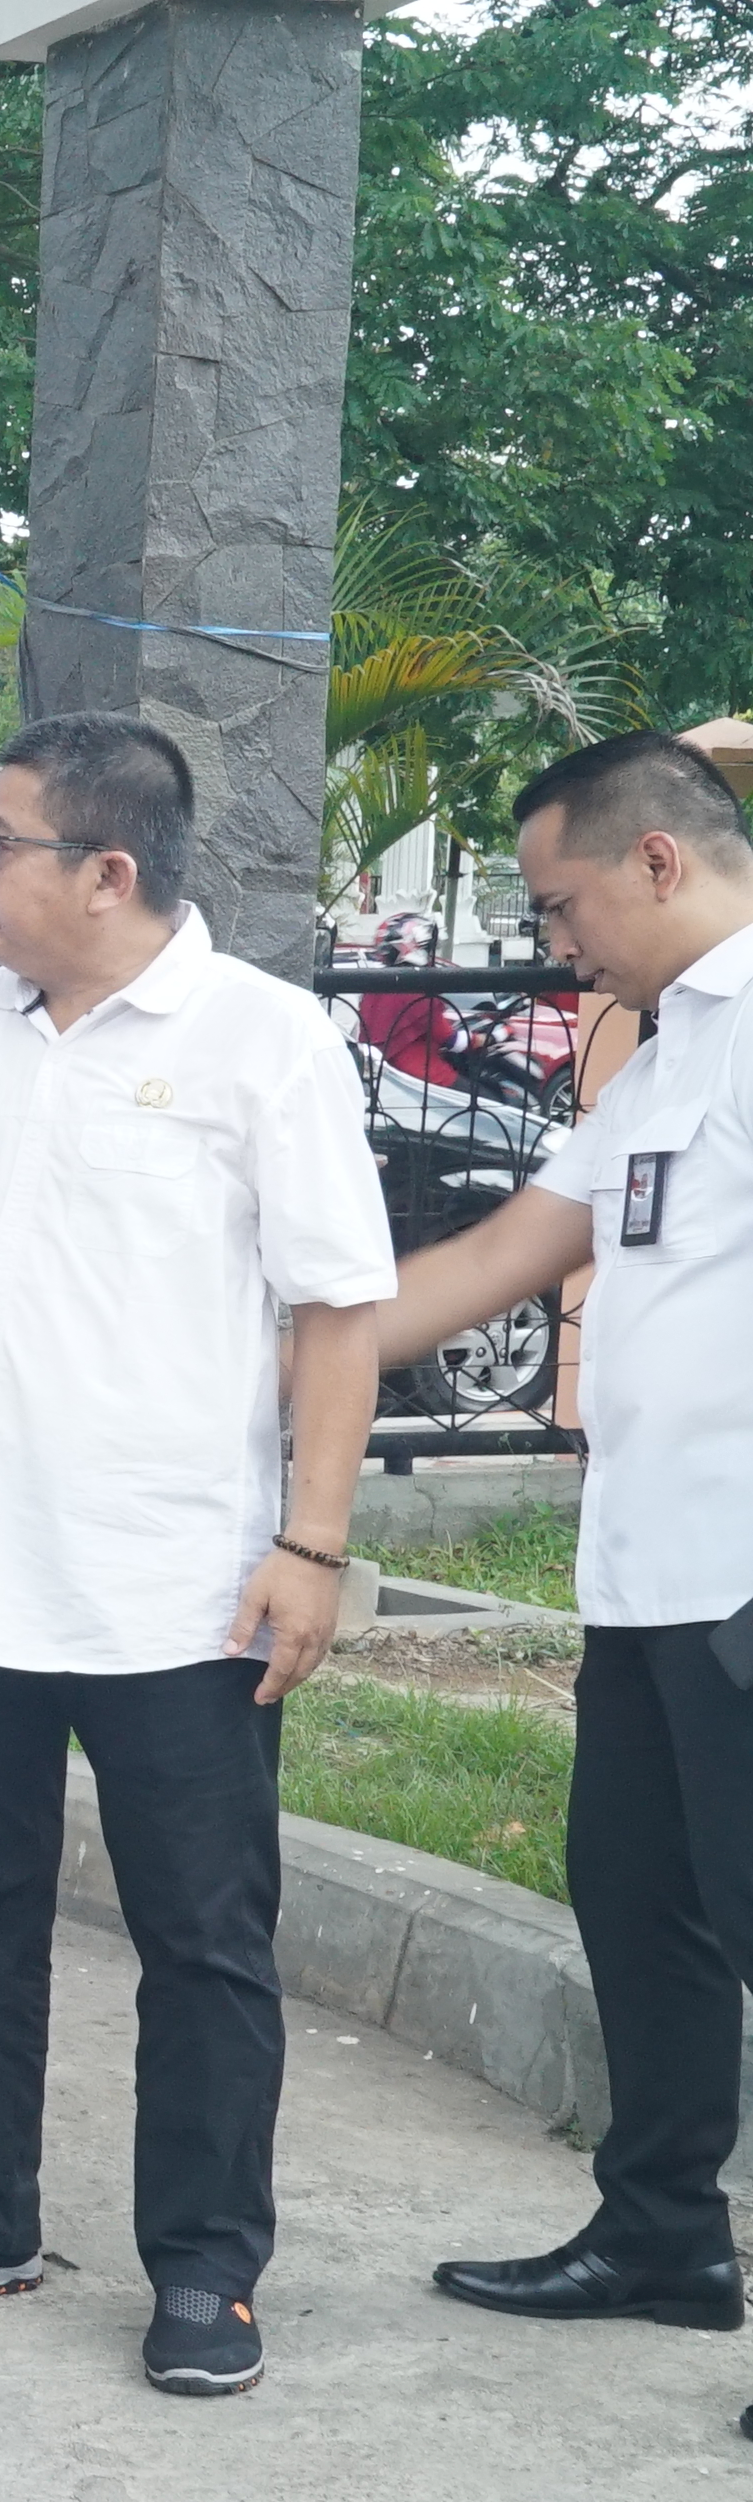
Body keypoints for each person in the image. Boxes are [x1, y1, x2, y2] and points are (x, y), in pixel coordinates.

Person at [0, 711, 390, 2401]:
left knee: (202, 1938)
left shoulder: (258, 1040)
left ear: (108, 870)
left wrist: (315, 1541)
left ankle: (207, 2267)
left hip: (176, 1586)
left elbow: (339, 1311)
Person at [378, 734, 753, 2416]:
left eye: (562, 901)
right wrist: (263, 1358)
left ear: (660, 860)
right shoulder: (669, 1061)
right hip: (649, 1578)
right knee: (645, 1911)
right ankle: (664, 2232)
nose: (552, 942)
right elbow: (495, 1259)